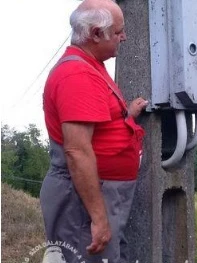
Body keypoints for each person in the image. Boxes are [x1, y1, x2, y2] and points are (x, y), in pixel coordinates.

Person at [40, 0, 149, 262]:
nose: (124, 37)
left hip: (95, 195)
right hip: (83, 202)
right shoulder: (77, 74)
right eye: (118, 31)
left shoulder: (91, 66)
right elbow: (77, 150)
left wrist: (126, 117)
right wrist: (99, 218)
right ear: (96, 34)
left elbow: (97, 124)